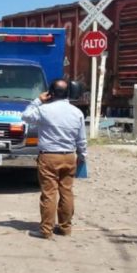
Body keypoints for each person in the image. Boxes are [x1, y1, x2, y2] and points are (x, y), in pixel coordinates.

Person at [22, 79, 87, 240]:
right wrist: (82, 156)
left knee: (49, 193)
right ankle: (65, 228)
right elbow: (82, 140)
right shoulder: (77, 112)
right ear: (68, 93)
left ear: (51, 93)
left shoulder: (44, 110)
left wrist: (37, 100)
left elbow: (25, 116)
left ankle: (46, 230)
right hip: (69, 156)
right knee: (67, 192)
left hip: (49, 156)